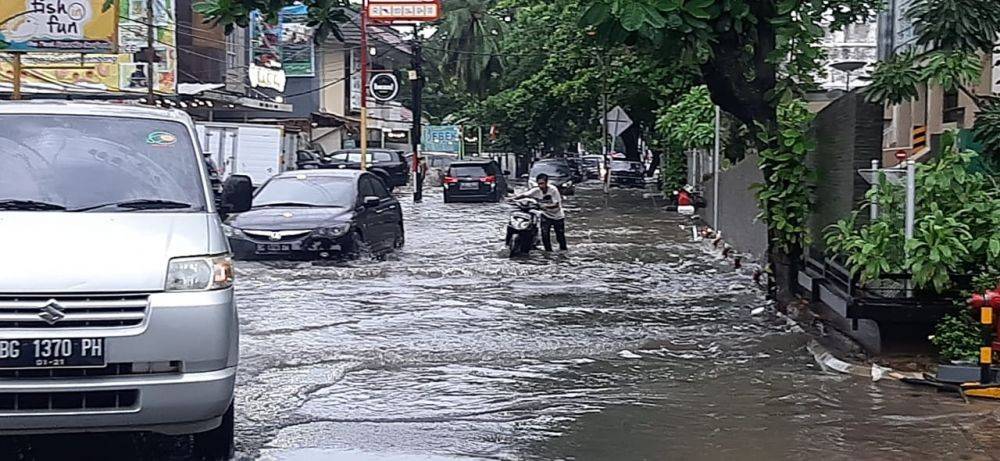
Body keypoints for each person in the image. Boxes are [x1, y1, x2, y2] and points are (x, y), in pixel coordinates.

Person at [515, 173, 567, 252]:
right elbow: (524, 195)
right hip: (545, 216)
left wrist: (543, 206)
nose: (540, 186)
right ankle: (548, 253)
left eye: (542, 183)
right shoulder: (536, 190)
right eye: (539, 184)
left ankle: (563, 251)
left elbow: (556, 205)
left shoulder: (553, 190)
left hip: (558, 216)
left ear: (546, 183)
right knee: (545, 236)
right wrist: (512, 199)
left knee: (560, 237)